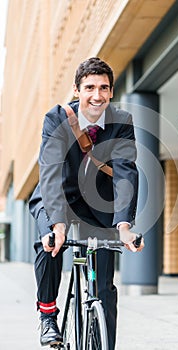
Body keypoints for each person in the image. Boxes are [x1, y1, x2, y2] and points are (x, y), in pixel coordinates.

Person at [29, 57, 144, 349]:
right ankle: (47, 316)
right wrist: (57, 223)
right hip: (59, 195)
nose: (97, 95)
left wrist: (124, 225)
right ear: (77, 90)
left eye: (103, 88)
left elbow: (125, 172)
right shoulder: (56, 118)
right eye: (90, 87)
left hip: (99, 203)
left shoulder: (121, 121)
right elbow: (51, 170)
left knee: (104, 287)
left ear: (112, 91)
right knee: (50, 243)